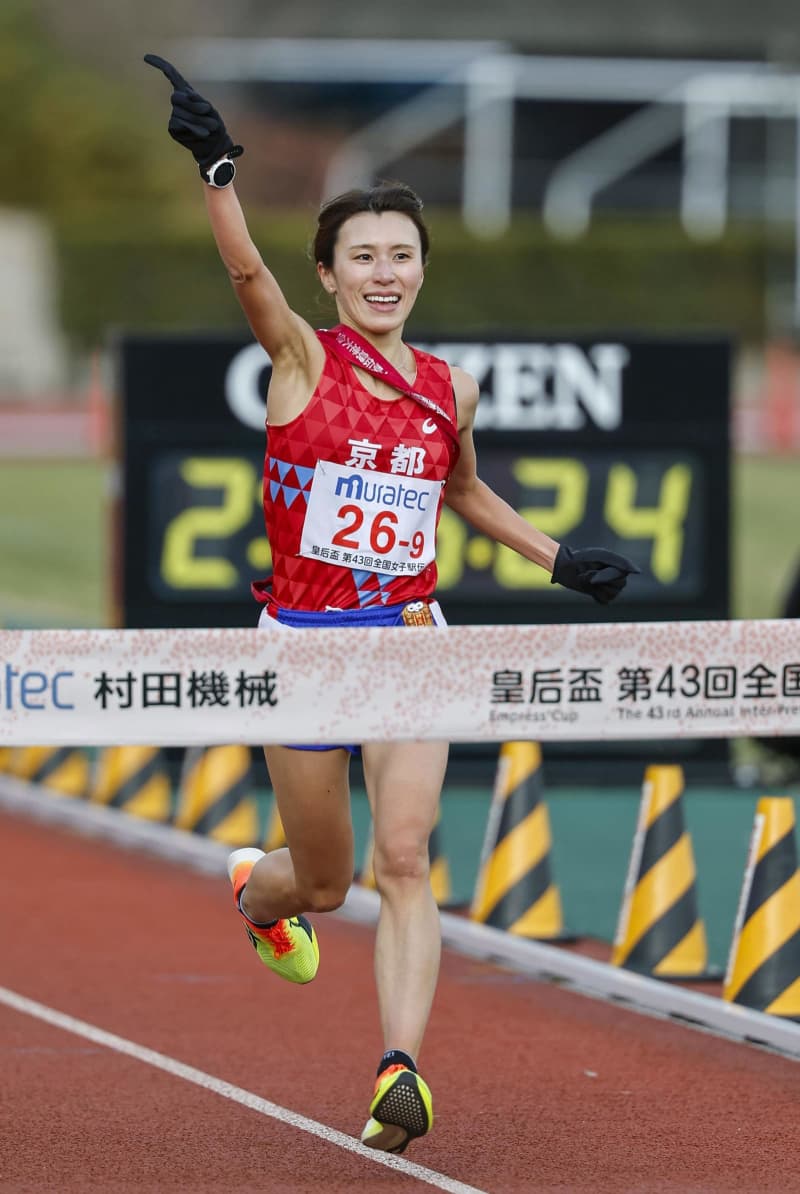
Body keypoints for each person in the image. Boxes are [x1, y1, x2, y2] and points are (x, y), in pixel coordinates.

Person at [145, 53, 639, 1155]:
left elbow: (459, 488)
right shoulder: (297, 361)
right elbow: (247, 283)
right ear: (327, 274)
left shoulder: (445, 386)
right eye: (361, 256)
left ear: (420, 271)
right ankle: (256, 894)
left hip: (410, 636)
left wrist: (557, 559)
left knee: (402, 857)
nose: (383, 272)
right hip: (303, 648)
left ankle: (396, 1072)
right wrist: (219, 175)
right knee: (322, 879)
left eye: (400, 256)